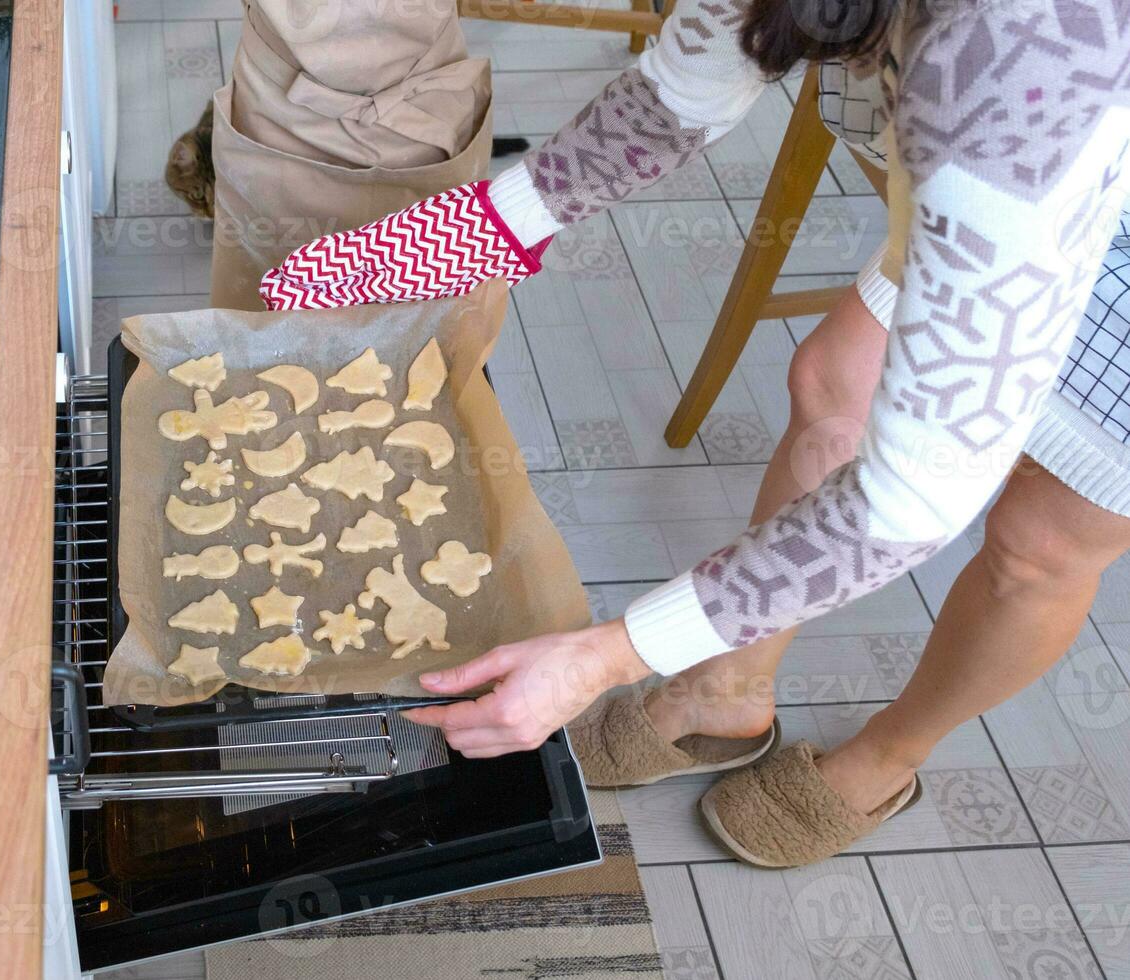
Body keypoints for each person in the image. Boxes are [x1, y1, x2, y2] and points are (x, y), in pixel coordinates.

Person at [261, 0, 1130, 866]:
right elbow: (677, 96)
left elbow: (914, 496)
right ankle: (729, 687)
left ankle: (888, 756)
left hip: (1047, 158)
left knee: (1039, 542)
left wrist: (612, 653)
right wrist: (464, 234)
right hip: (1003, 189)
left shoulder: (1009, 61)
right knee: (834, 384)